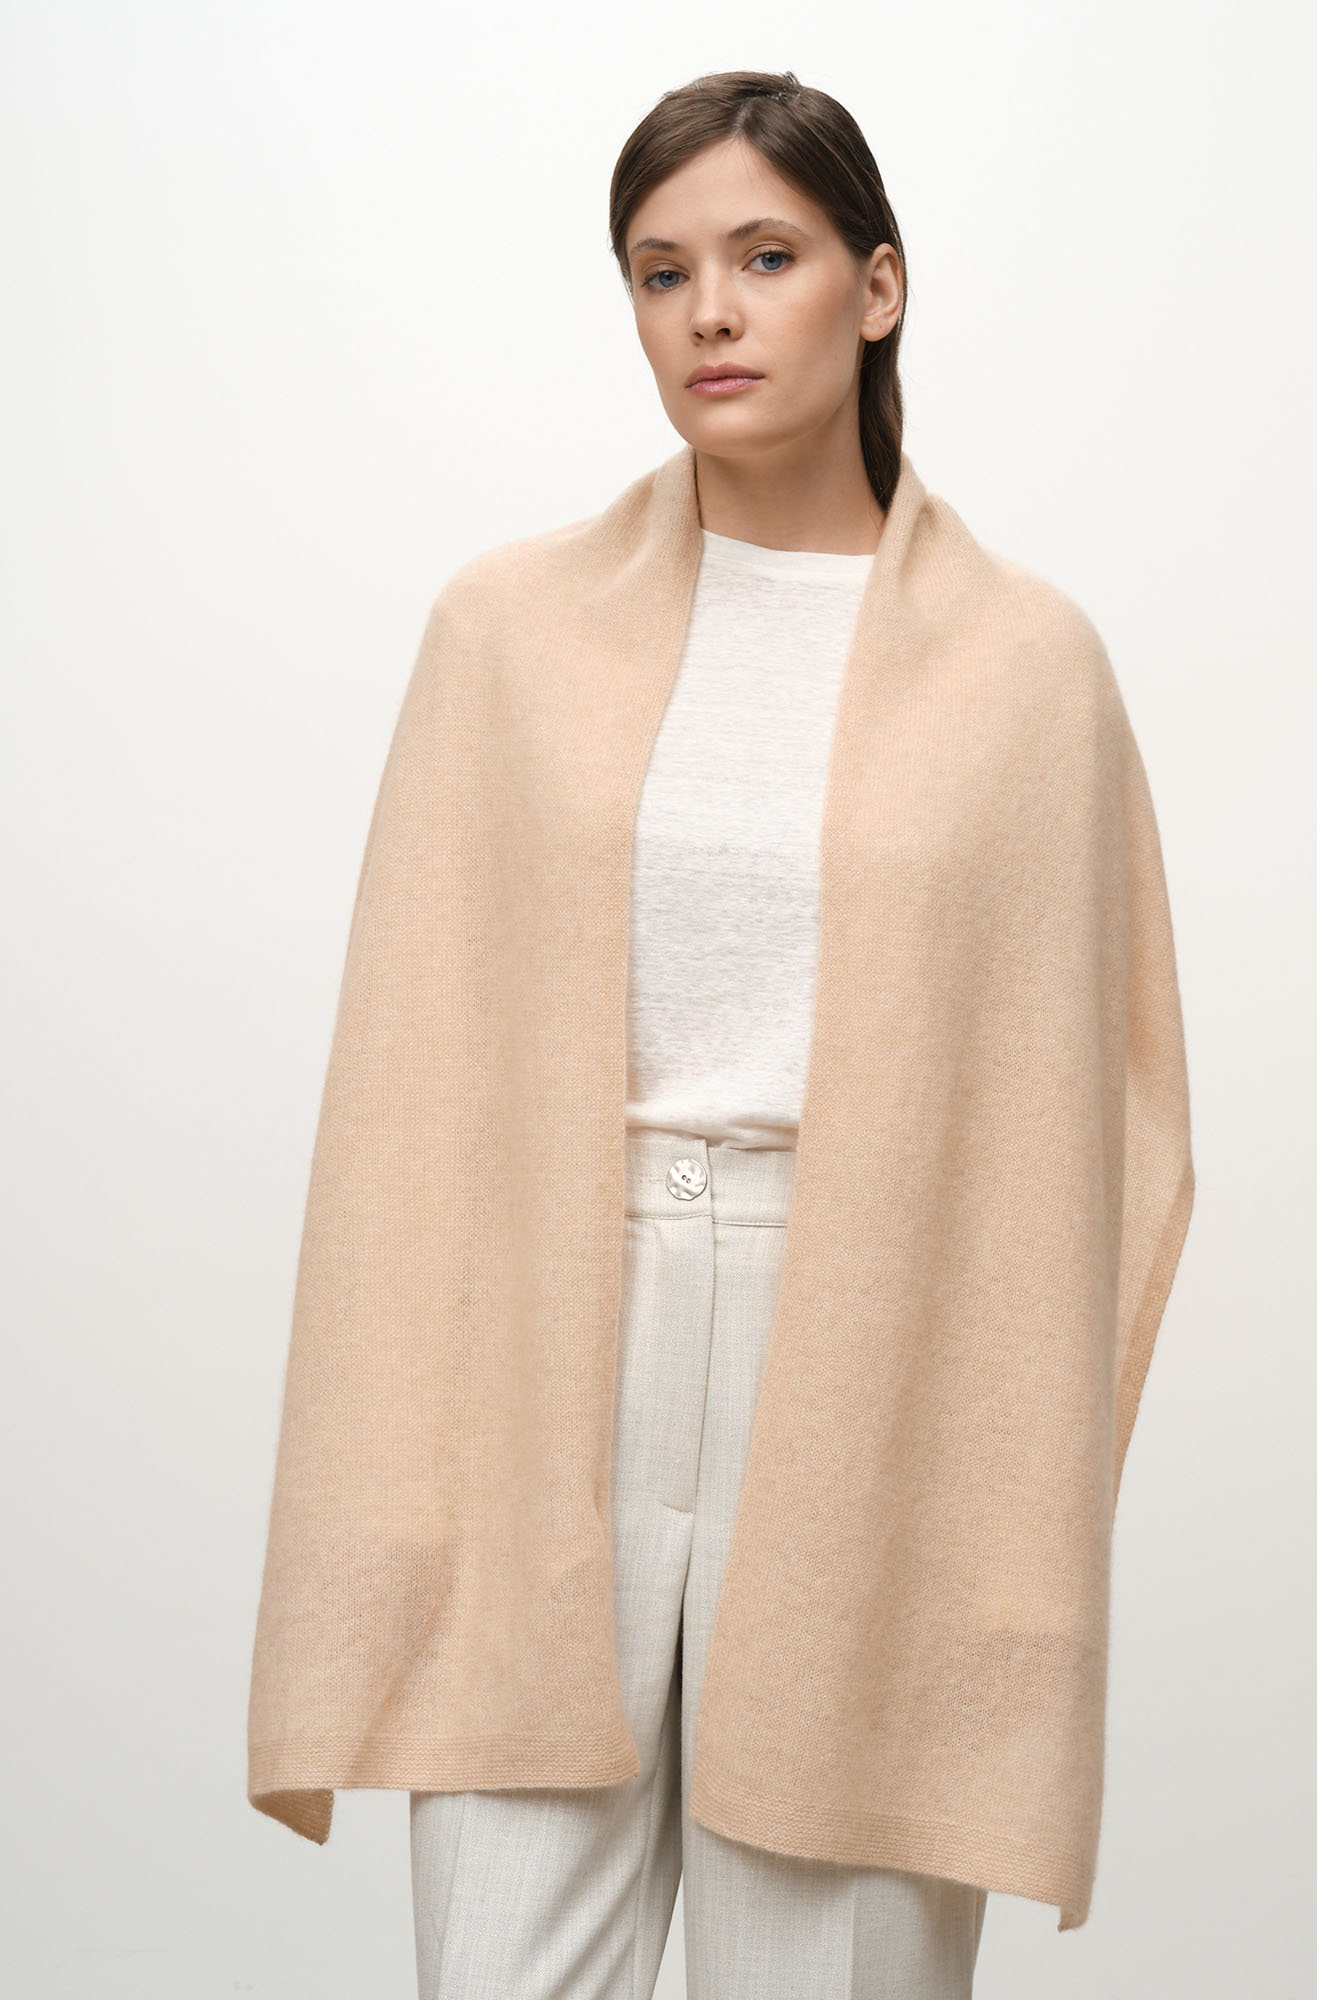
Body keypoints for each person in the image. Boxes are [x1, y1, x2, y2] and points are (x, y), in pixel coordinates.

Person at [246, 66, 1195, 2000]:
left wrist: (1003, 1500)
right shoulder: (506, 633)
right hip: (545, 1338)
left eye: (766, 257)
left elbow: (1107, 1129)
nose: (710, 312)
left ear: (878, 286)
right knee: (504, 1958)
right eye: (662, 271)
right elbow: (402, 1092)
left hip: (869, 1345)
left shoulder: (1027, 670)